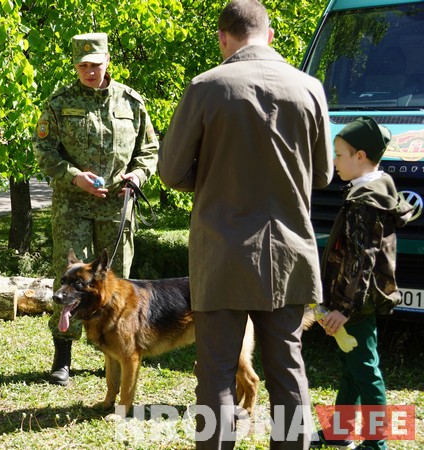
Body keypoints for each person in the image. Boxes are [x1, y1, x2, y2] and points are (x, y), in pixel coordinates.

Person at [158, 1, 334, 448]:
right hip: (289, 252)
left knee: (215, 369)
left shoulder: (205, 86)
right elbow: (324, 174)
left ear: (223, 37)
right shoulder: (309, 86)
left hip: (222, 252)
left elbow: (171, 171)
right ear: (269, 35)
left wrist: (216, 177)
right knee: (287, 369)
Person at [32, 32, 159, 386]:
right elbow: (44, 152)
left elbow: (150, 150)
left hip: (117, 206)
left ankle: (117, 351)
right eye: (83, 66)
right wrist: (74, 177)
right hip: (73, 207)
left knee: (116, 283)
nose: (89, 71)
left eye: (96, 65)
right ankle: (63, 357)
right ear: (76, 65)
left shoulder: (132, 102)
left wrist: (138, 174)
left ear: (107, 63)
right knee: (71, 281)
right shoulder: (59, 102)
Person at [311, 117, 413, 450]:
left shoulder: (365, 200)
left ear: (360, 156)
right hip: (353, 302)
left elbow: (361, 261)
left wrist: (343, 308)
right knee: (351, 366)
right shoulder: (373, 189)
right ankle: (339, 432)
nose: (334, 162)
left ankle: (376, 443)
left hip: (355, 303)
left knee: (367, 373)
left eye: (339, 154)